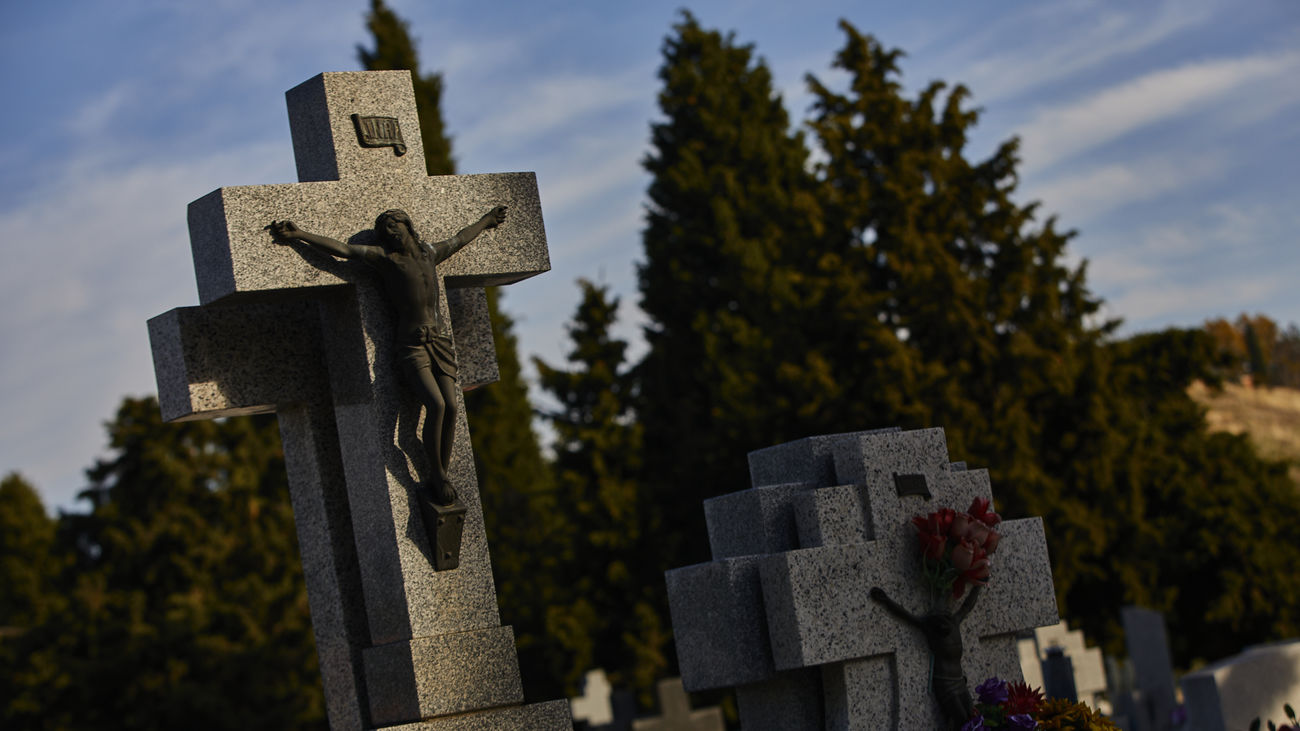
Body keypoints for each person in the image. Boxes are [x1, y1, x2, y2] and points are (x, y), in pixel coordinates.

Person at [269, 205, 507, 506]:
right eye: (385, 230)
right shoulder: (385, 259)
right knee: (435, 404)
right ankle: (437, 474)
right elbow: (343, 250)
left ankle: (441, 474)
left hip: (440, 343)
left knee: (451, 406)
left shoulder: (429, 253)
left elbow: (460, 238)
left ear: (407, 225)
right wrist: (300, 235)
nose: (391, 231)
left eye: (394, 225)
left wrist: (487, 221)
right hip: (412, 346)